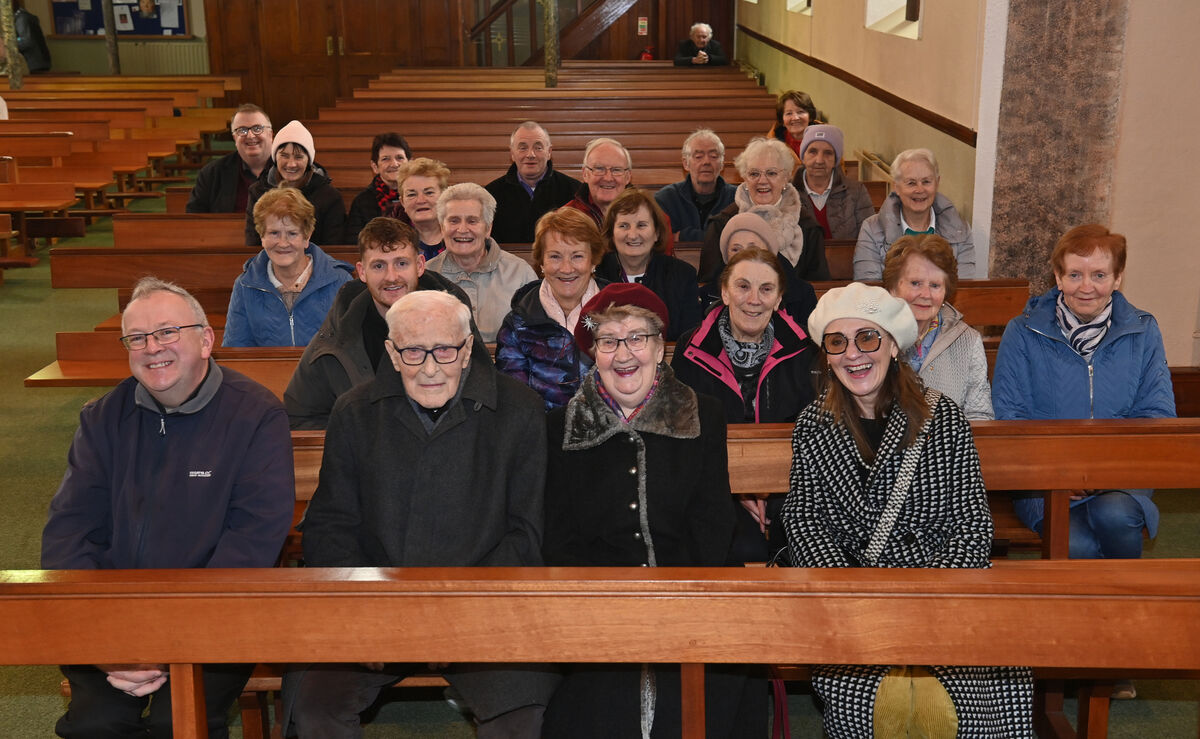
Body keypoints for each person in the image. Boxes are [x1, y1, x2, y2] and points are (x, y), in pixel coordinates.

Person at [286, 289, 558, 739]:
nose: (430, 367)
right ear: (392, 353)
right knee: (315, 708)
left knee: (523, 714)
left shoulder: (520, 411)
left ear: (468, 348)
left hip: (484, 611)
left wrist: (455, 617)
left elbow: (526, 533)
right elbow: (332, 526)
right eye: (413, 351)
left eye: (445, 350)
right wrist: (368, 613)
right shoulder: (355, 411)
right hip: (376, 611)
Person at [41, 276, 294, 739]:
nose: (152, 347)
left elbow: (252, 543)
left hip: (211, 618)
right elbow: (69, 533)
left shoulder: (256, 416)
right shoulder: (102, 418)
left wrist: (169, 640)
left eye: (166, 332)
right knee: (94, 726)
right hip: (110, 619)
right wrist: (106, 641)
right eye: (136, 338)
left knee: (178, 723)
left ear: (206, 339)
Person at [783, 282, 1034, 738]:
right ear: (827, 355)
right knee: (864, 699)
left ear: (893, 345)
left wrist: (923, 604)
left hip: (939, 599)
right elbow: (804, 522)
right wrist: (852, 597)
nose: (853, 354)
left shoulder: (943, 419)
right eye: (837, 342)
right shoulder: (813, 425)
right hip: (852, 605)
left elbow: (972, 525)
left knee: (977, 696)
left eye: (868, 337)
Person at [542, 282, 763, 739]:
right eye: (608, 341)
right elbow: (559, 536)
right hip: (597, 603)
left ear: (660, 347)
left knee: (713, 697)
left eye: (637, 338)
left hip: (694, 590)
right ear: (594, 352)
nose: (624, 354)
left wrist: (678, 604)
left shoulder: (703, 413)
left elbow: (712, 519)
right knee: (598, 707)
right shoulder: (559, 427)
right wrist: (609, 607)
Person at [992, 224, 1175, 559]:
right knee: (1078, 545)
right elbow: (1009, 414)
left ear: (1118, 278)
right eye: (1075, 274)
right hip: (1043, 480)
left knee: (1117, 514)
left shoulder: (1143, 330)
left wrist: (1104, 472)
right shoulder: (1022, 332)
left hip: (1122, 474)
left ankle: (1127, 605)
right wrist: (1058, 472)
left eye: (1099, 275)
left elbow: (1156, 411)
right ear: (1058, 277)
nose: (1086, 287)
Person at [673, 247, 816, 561]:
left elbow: (811, 431)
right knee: (733, 544)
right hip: (714, 485)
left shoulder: (804, 349)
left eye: (766, 289)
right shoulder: (690, 347)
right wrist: (737, 489)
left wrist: (768, 488)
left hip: (789, 486)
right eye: (743, 286)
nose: (754, 299)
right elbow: (684, 433)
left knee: (799, 540)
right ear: (724, 292)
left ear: (779, 299)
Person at [284, 216, 478, 429]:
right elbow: (300, 414)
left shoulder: (455, 319)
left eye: (401, 263)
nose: (391, 277)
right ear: (362, 272)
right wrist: (355, 444)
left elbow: (481, 402)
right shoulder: (339, 331)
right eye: (378, 266)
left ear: (420, 265)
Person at [495, 207, 607, 410]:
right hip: (541, 434)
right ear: (541, 263)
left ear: (594, 261)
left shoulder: (618, 313)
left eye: (577, 256)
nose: (566, 268)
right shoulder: (518, 324)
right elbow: (513, 400)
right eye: (555, 256)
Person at [224, 188, 354, 347]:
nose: (283, 243)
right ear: (262, 236)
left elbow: (352, 347)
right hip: (266, 372)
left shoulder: (340, 281)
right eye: (274, 233)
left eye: (292, 233)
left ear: (307, 236)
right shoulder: (245, 285)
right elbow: (237, 351)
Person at [882, 233, 992, 419]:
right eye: (915, 283)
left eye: (935, 285)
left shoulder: (968, 340)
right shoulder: (871, 337)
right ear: (893, 288)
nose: (926, 294)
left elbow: (979, 415)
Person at [701, 136, 829, 288]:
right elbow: (709, 286)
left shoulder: (807, 227)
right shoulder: (722, 225)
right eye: (754, 174)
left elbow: (819, 287)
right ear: (744, 178)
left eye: (771, 173)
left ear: (786, 177)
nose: (762, 181)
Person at [425, 183, 536, 342]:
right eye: (454, 220)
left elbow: (534, 338)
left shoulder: (520, 273)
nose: (462, 229)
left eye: (472, 221)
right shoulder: (427, 275)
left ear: (488, 228)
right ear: (442, 227)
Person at [595, 188, 701, 341]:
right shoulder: (596, 273)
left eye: (641, 225)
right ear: (611, 233)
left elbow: (690, 338)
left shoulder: (682, 275)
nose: (632, 235)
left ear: (657, 233)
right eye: (623, 225)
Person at [854, 148, 975, 281]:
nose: (919, 189)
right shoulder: (871, 229)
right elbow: (868, 289)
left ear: (937, 183)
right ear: (896, 187)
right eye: (911, 183)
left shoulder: (960, 230)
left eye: (926, 182)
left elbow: (964, 287)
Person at [244, 120, 345, 247]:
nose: (291, 164)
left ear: (309, 160)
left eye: (298, 157)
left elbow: (333, 247)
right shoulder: (258, 192)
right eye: (284, 156)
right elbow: (253, 243)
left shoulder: (329, 197)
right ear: (275, 158)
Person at [485, 121, 581, 244]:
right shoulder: (491, 195)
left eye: (538, 147)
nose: (531, 154)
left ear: (549, 152)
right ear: (512, 153)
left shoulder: (574, 191)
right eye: (523, 148)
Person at [187, 103, 274, 213]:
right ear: (234, 137)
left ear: (270, 134)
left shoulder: (289, 169)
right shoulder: (212, 173)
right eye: (242, 130)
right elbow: (195, 217)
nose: (250, 135)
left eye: (257, 128)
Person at [793, 124, 875, 240]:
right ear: (803, 156)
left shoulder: (857, 192)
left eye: (828, 153)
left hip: (848, 258)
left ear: (836, 159)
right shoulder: (788, 192)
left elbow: (870, 238)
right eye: (813, 151)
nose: (819, 160)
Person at [654, 128, 737, 242]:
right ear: (685, 163)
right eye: (698, 157)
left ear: (722, 164)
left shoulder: (737, 199)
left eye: (713, 156)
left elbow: (738, 239)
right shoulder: (665, 199)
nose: (706, 162)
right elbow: (661, 241)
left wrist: (684, 235)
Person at [343, 132, 411, 244]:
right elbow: (354, 243)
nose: (394, 164)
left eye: (399, 158)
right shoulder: (362, 201)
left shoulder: (420, 196)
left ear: (410, 163)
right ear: (375, 167)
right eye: (386, 159)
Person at [565, 137, 634, 229]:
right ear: (585, 174)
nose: (608, 178)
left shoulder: (646, 215)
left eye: (616, 170)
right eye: (599, 169)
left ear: (628, 177)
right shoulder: (566, 219)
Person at [392, 156, 450, 260]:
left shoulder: (459, 234)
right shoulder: (391, 241)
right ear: (402, 202)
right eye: (411, 195)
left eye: (429, 193)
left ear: (444, 196)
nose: (420, 200)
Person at [768, 90, 819, 158]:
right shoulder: (772, 143)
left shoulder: (826, 139)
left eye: (800, 112)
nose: (795, 118)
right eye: (789, 113)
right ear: (782, 120)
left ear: (810, 116)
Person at [14, 2, 50, 73]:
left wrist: (9, 44)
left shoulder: (21, 18)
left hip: (33, 63)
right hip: (40, 61)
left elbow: (26, 41)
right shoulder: (25, 16)